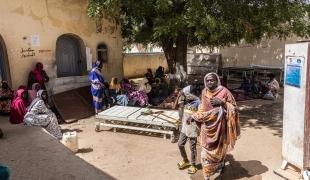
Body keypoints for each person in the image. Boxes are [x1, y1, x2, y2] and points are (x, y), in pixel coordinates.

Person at [192, 73, 240, 179]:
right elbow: (202, 108)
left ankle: (220, 165)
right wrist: (195, 116)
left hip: (220, 128)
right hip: (206, 127)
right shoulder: (204, 92)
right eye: (207, 80)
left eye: (212, 80)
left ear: (216, 80)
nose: (209, 82)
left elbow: (235, 109)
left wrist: (222, 103)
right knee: (205, 151)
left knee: (219, 151)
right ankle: (207, 175)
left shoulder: (224, 91)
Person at [177, 85, 200, 174]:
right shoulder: (186, 101)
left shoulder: (198, 102)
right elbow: (181, 112)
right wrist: (180, 122)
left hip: (193, 129)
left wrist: (193, 117)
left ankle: (193, 165)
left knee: (192, 148)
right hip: (184, 128)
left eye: (188, 95)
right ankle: (185, 160)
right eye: (186, 95)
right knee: (180, 144)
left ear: (193, 94)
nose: (187, 97)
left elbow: (201, 114)